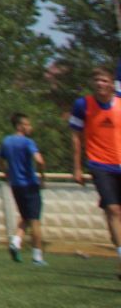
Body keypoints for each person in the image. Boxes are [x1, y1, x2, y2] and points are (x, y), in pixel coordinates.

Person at [70, 61, 121, 279]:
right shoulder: (83, 105)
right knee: (113, 210)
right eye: (97, 80)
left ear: (112, 85)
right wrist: (77, 168)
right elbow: (75, 136)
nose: (100, 84)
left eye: (104, 80)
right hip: (100, 165)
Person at [0, 111, 46, 264]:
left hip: (16, 185)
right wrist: (42, 177)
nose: (30, 127)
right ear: (20, 126)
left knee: (25, 217)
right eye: (27, 124)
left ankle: (15, 242)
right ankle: (37, 256)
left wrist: (7, 174)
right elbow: (40, 161)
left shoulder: (6, 141)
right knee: (35, 221)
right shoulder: (27, 142)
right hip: (30, 185)